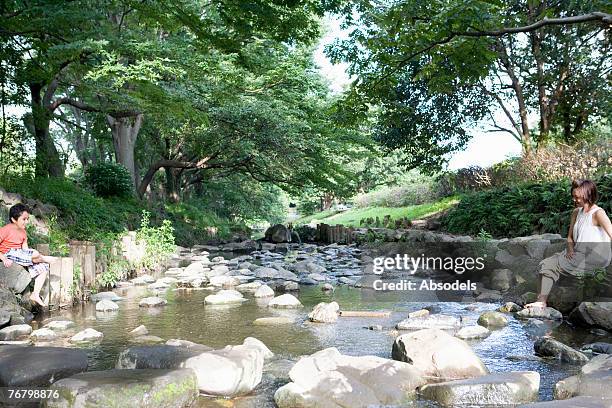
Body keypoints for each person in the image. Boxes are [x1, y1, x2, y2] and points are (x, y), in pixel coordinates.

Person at [526, 179, 612, 308]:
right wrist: (570, 249)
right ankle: (541, 300)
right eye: (573, 196)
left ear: (588, 195)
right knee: (546, 263)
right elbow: (570, 236)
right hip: (577, 253)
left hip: (595, 257)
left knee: (549, 265)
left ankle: (541, 302)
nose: (574, 200)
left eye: (577, 197)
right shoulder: (576, 212)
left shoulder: (598, 213)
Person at [0, 203, 57, 307]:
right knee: (36, 254)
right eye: (24, 219)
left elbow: (25, 248)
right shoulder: (5, 230)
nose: (26, 221)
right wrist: (3, 258)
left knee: (44, 268)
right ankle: (44, 258)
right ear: (13, 219)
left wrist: (31, 254)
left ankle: (35, 294)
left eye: (27, 219)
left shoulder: (23, 231)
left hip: (20, 254)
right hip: (9, 253)